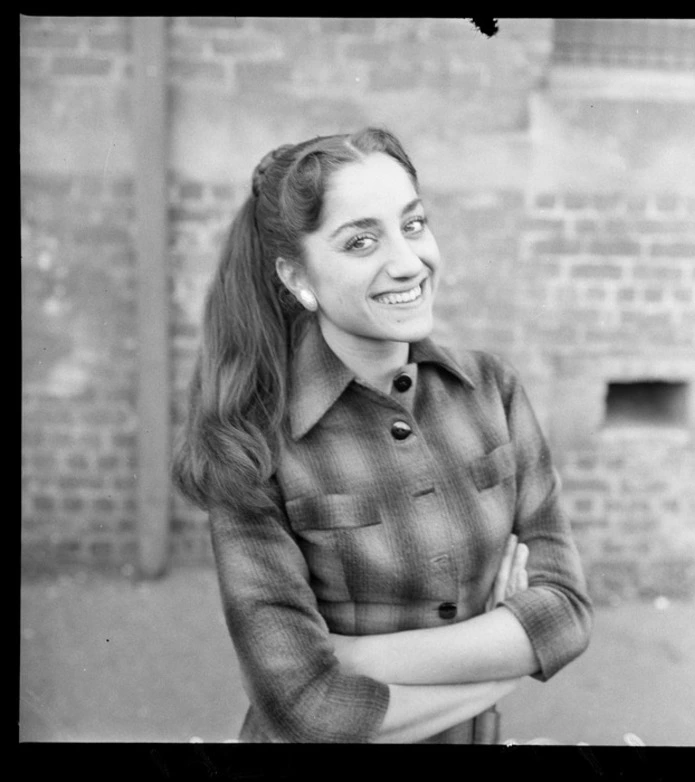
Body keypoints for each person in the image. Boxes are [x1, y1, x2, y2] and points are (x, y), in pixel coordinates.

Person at [172, 127, 592, 744]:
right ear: (297, 277)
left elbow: (567, 613)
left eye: (414, 224)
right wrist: (504, 657)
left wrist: (353, 658)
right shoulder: (254, 447)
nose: (407, 261)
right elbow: (305, 708)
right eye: (362, 240)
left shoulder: (491, 391)